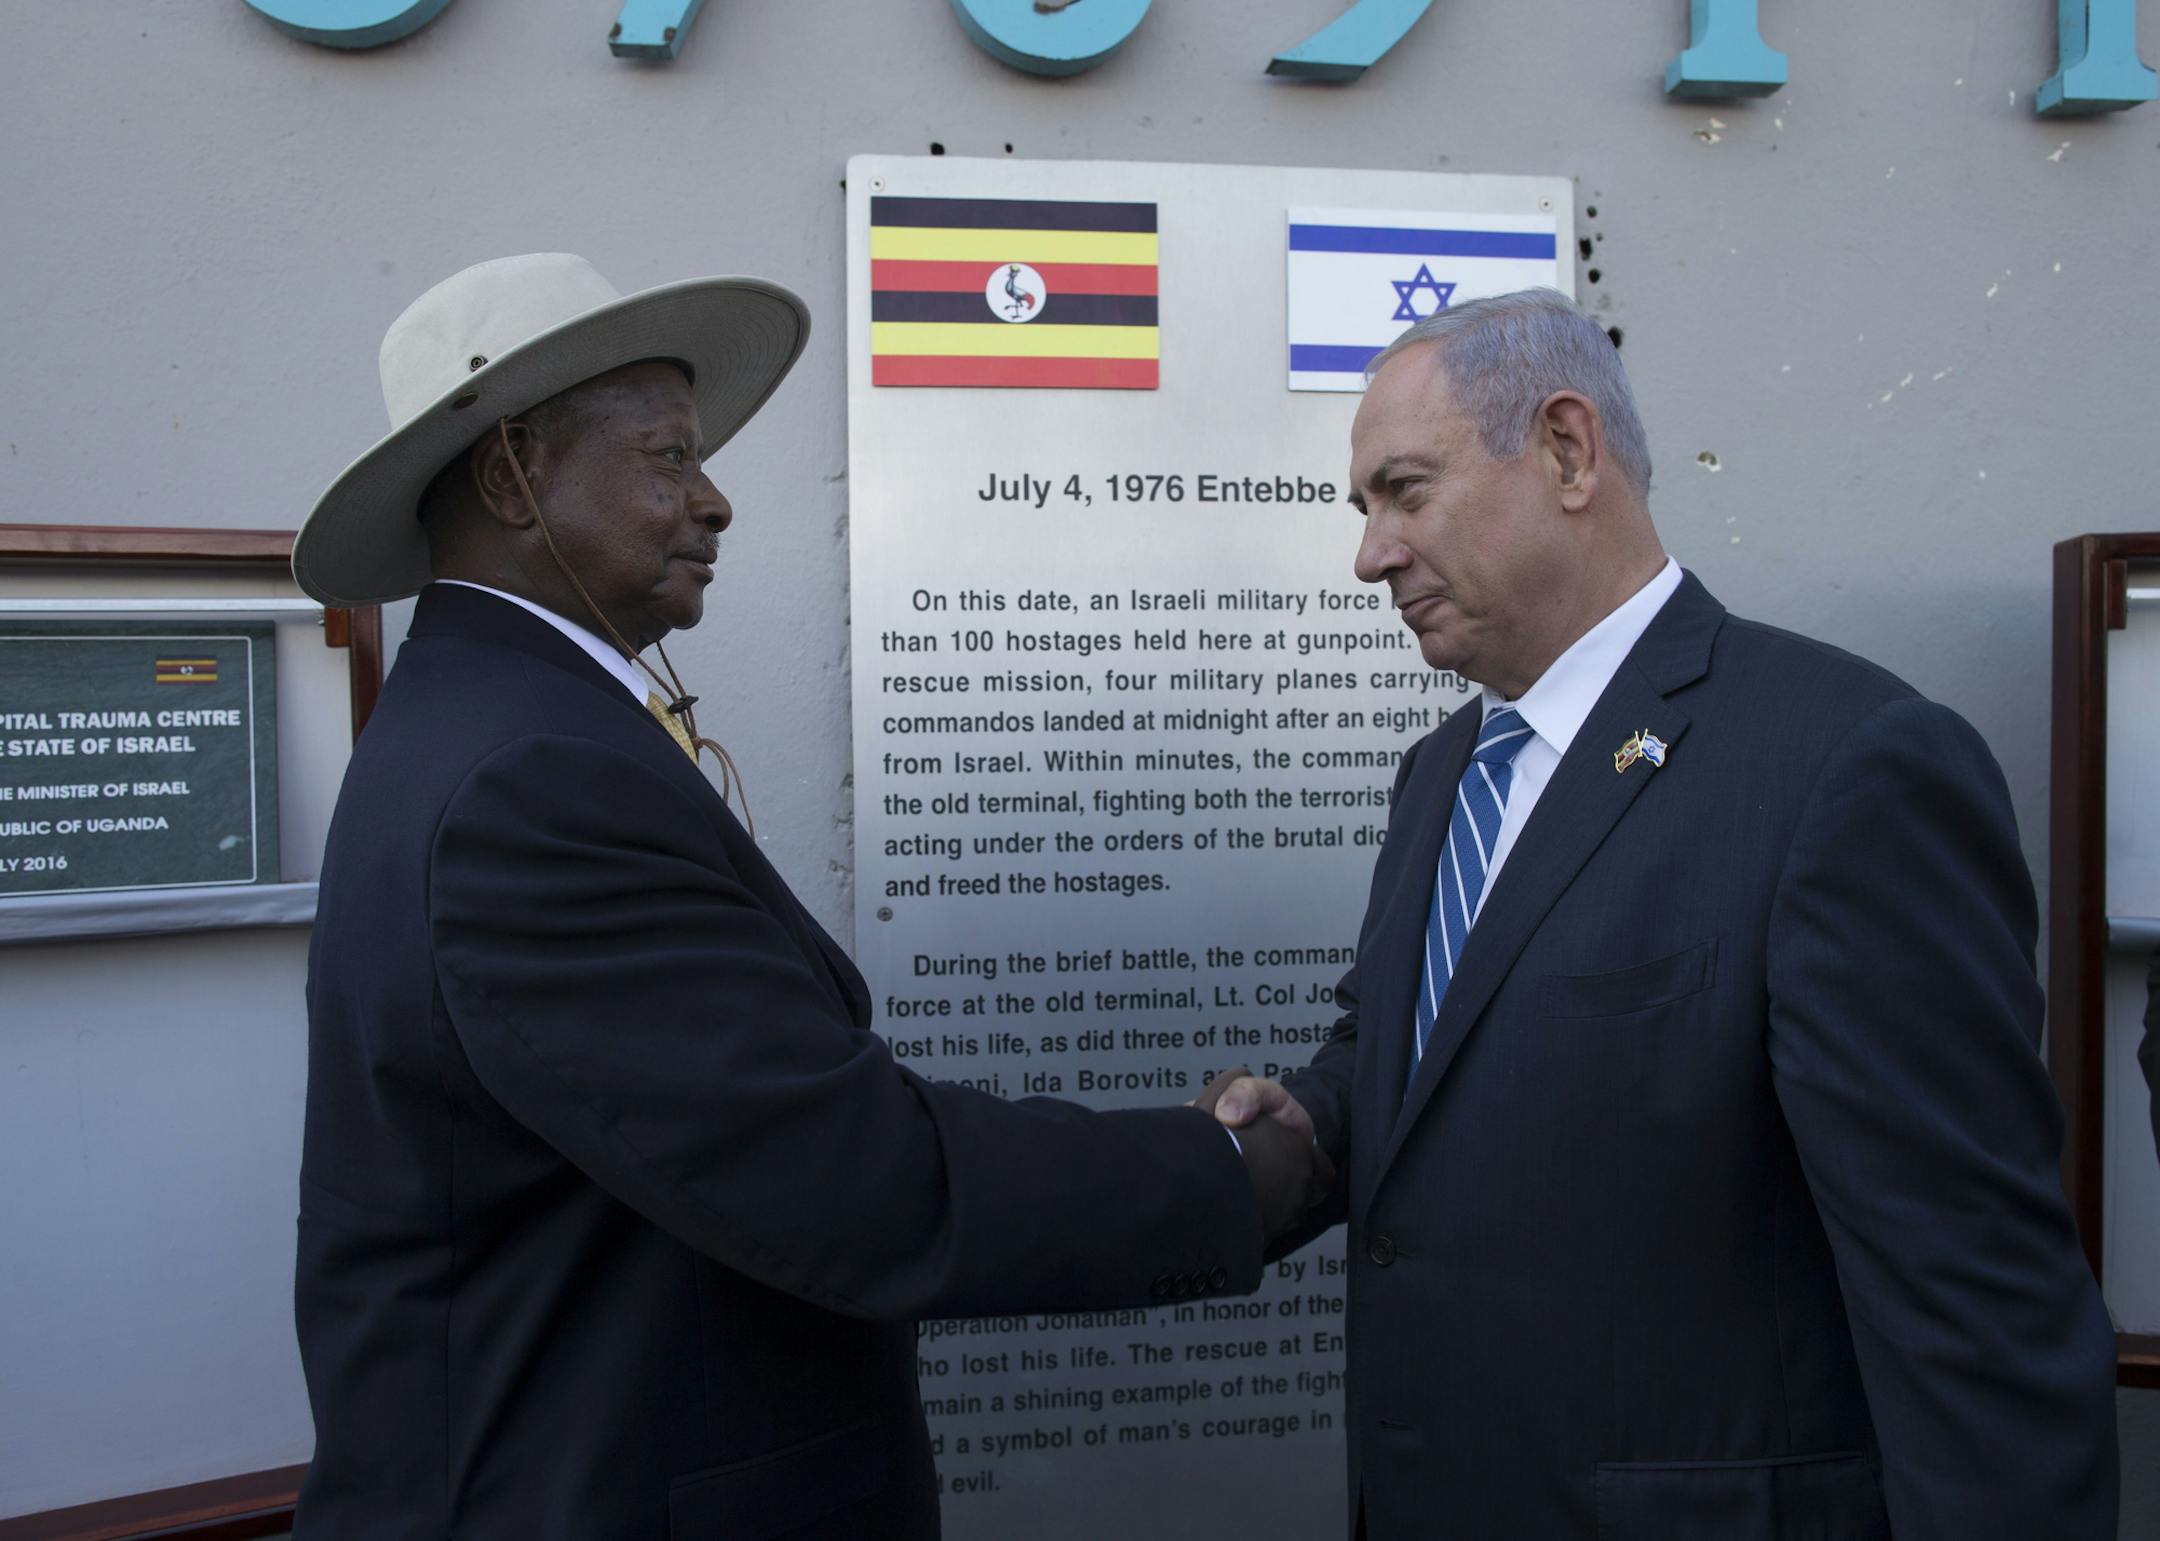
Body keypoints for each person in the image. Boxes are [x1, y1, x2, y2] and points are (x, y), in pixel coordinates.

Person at [288, 253, 1327, 1540]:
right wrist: (1227, 1170)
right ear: (512, 476)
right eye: (669, 457)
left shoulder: (495, 726)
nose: (715, 501)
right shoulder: (529, 777)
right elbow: (846, 1174)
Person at [1209, 289, 2118, 1539]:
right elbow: (1410, 1066)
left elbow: (1976, 1305)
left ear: (1570, 451)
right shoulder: (1441, 777)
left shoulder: (1845, 766)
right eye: (1364, 509)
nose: (1370, 554)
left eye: (1405, 492)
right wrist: (1305, 1118)